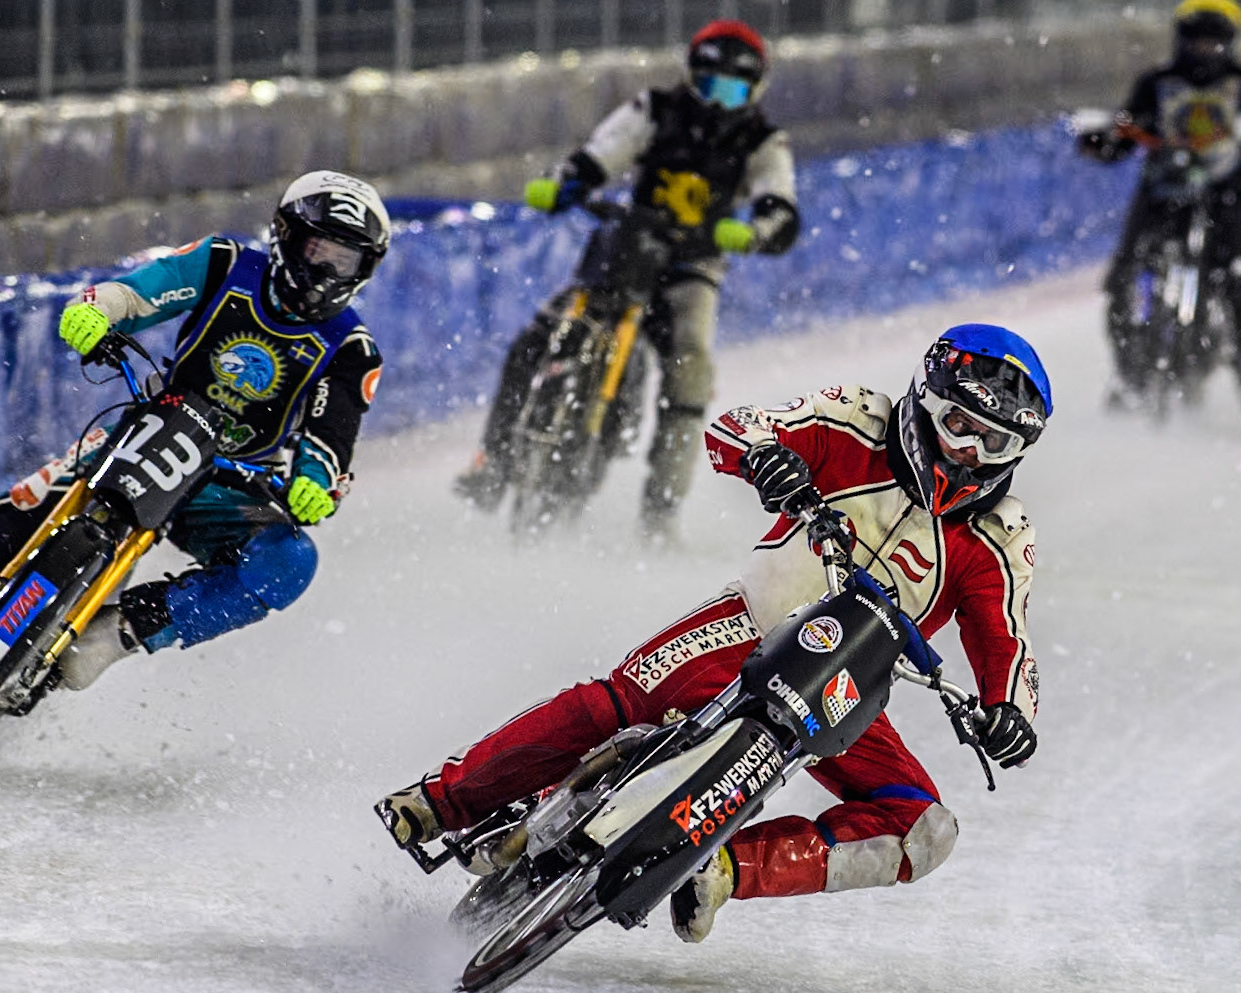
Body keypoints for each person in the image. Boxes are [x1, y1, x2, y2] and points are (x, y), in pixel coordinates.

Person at [383, 323, 1048, 943]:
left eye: (994, 442)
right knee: (619, 699)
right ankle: (442, 800)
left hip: (846, 688)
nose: (967, 450)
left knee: (923, 827)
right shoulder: (856, 417)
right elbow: (740, 426)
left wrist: (1009, 712)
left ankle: (723, 867)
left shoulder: (1000, 533)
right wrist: (764, 457)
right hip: (749, 624)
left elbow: (1006, 639)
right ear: (926, 398)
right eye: (960, 423)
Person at [0, 172, 390, 718]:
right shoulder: (223, 263)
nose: (327, 270)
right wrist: (99, 309)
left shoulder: (353, 350)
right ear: (287, 236)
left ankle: (119, 633)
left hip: (228, 482)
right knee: (7, 515)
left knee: (289, 562)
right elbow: (142, 291)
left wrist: (317, 482)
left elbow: (331, 439)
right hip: (149, 432)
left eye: (346, 260)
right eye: (321, 250)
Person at [454, 19, 801, 539]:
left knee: (691, 367)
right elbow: (605, 150)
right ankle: (495, 465)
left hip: (693, 266)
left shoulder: (764, 141)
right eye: (710, 84)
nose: (719, 100)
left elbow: (779, 201)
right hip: (628, 247)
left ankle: (660, 513)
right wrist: (569, 184)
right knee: (534, 339)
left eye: (733, 88)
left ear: (755, 90)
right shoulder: (655, 109)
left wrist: (754, 232)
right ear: (691, 78)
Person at [1079, 0, 1241, 424]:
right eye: (1196, 40)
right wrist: (1103, 139)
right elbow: (1123, 136)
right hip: (1161, 198)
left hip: (1225, 200)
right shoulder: (1156, 83)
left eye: (1213, 41)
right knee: (1124, 281)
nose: (1204, 50)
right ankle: (1129, 374)